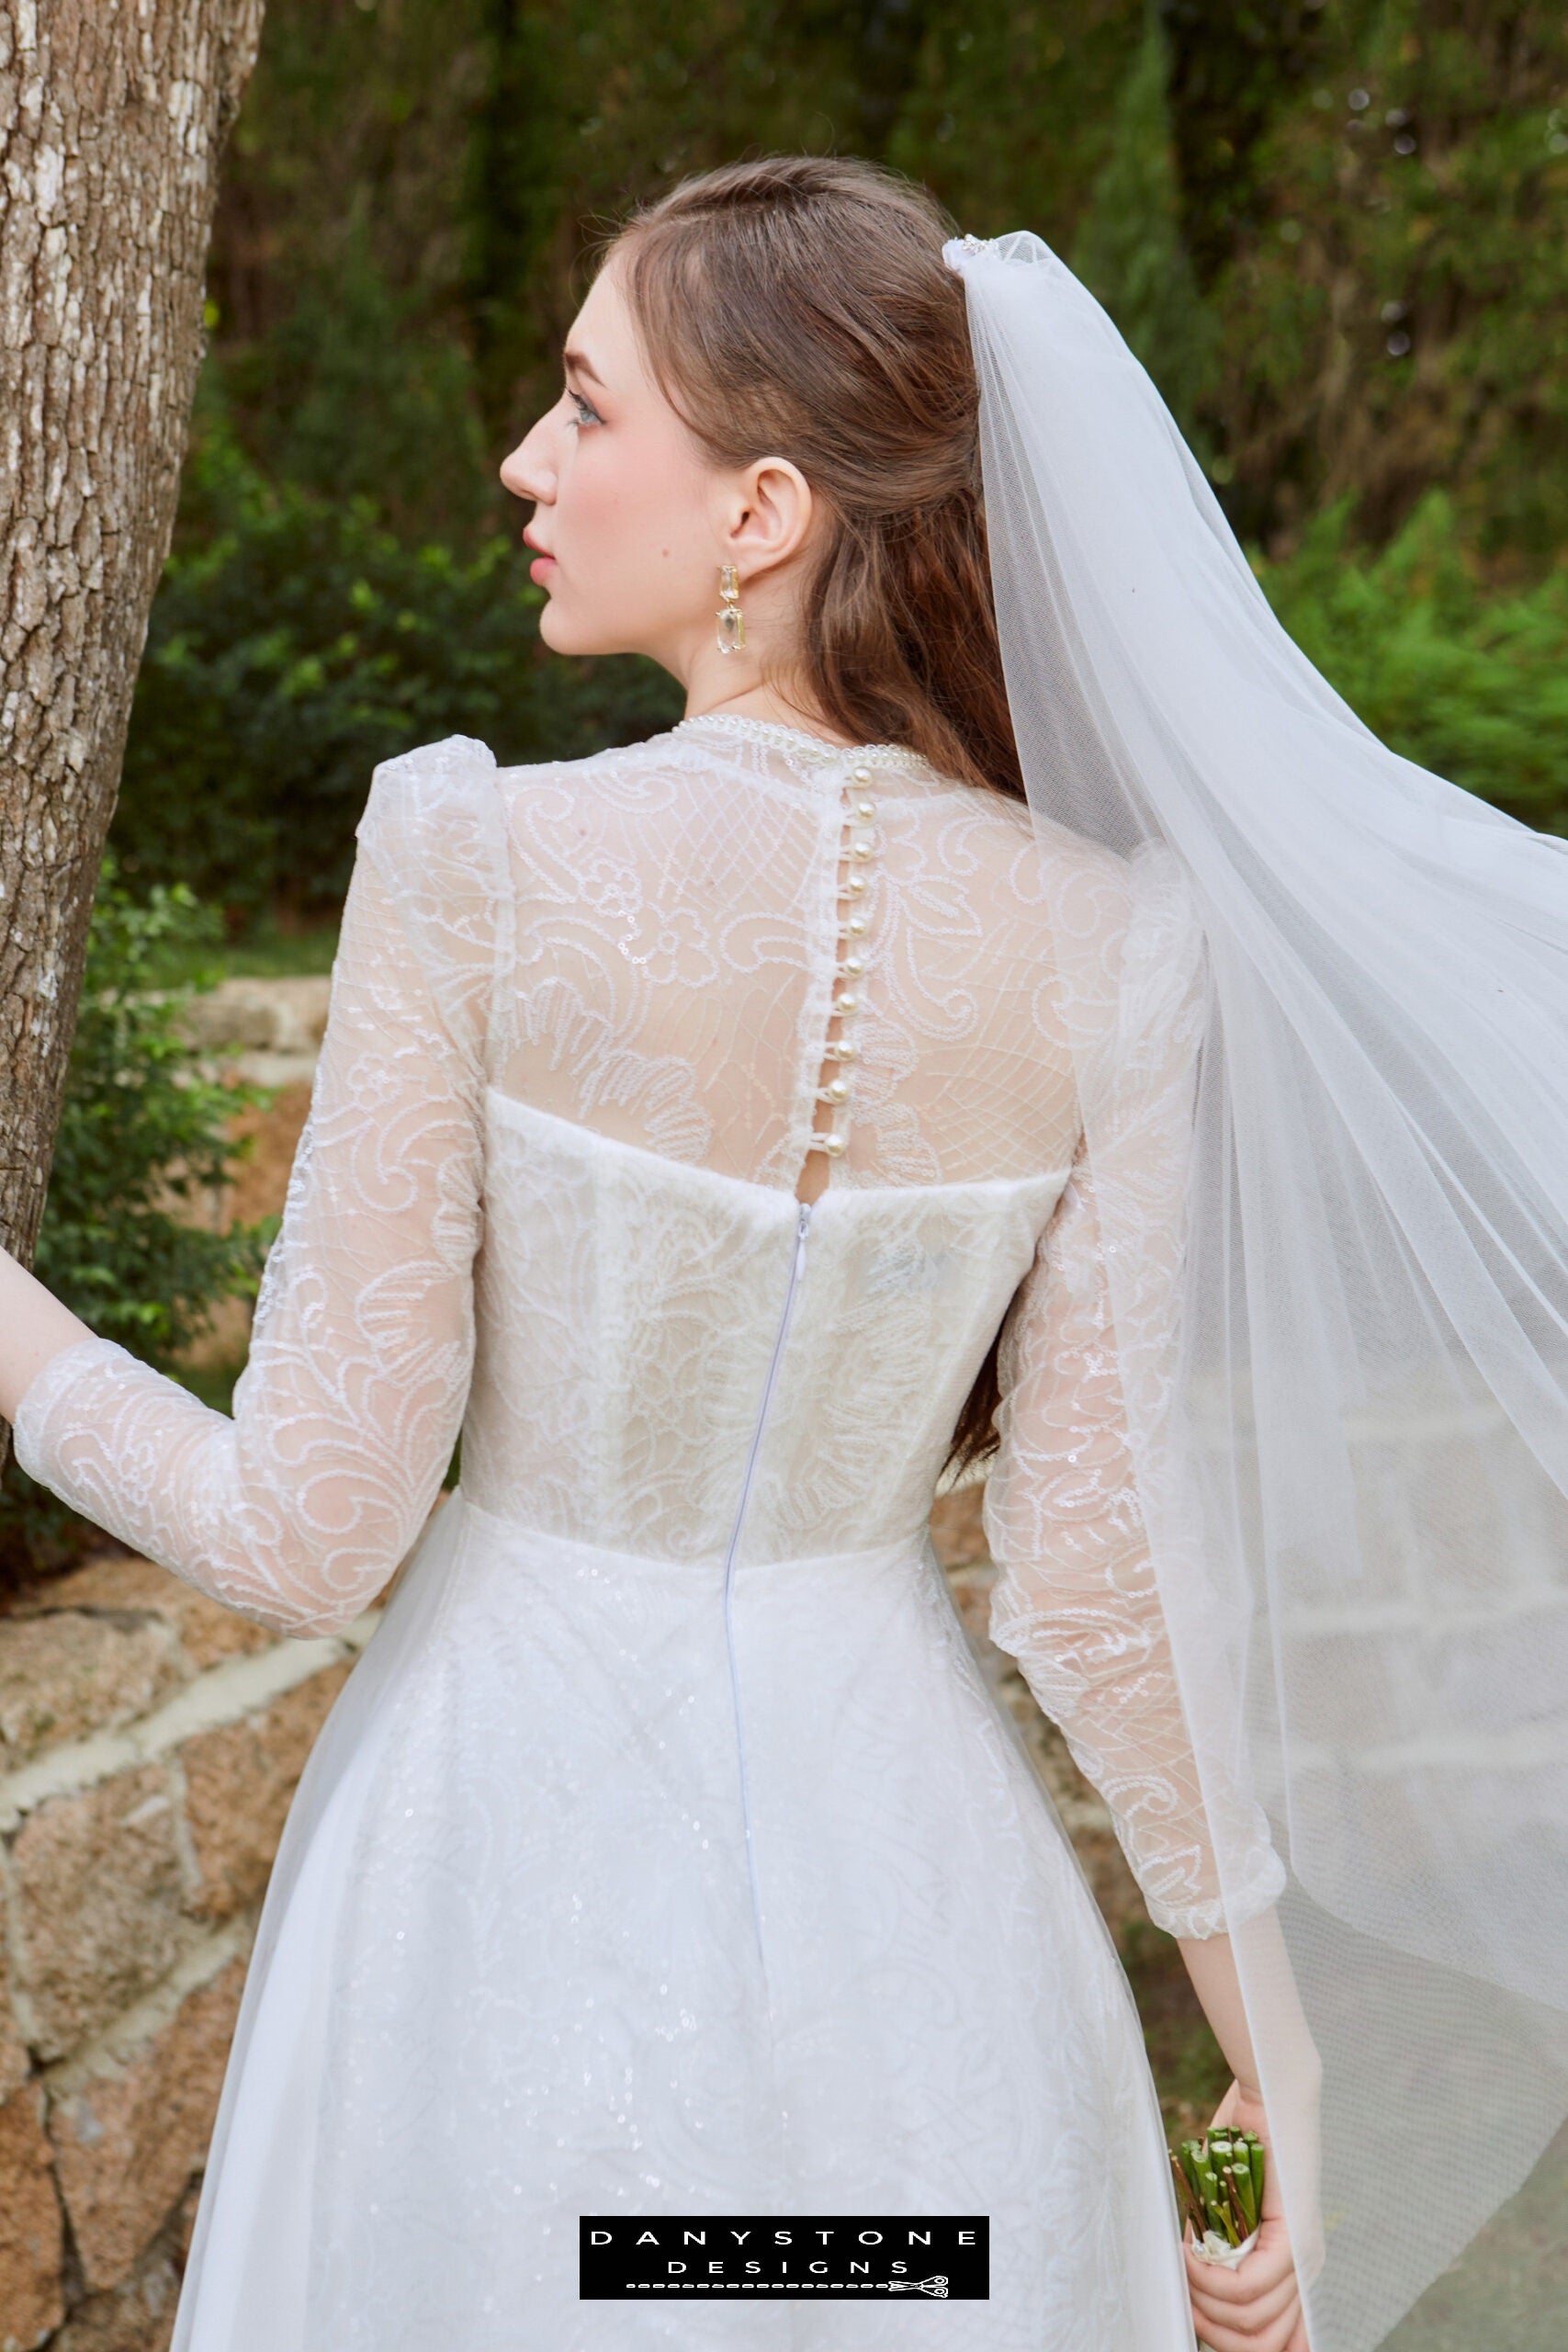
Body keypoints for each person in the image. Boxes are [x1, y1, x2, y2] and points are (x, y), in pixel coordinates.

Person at [2, 153, 1562, 2351]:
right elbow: (1096, 1579)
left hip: (491, 1905)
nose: (523, 460)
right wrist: (1266, 2072)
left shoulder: (471, 855)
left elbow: (306, 1522)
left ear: (758, 511)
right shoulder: (1118, 949)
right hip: (910, 1935)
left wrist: (17, 1329)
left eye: (581, 404)